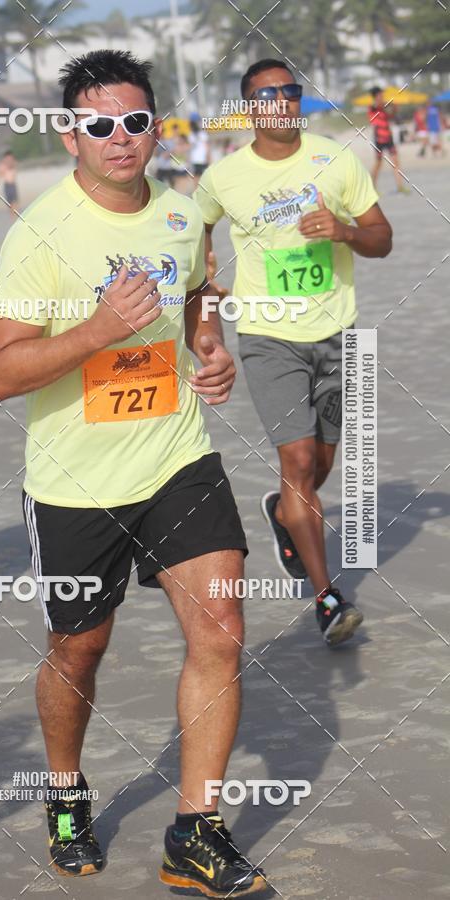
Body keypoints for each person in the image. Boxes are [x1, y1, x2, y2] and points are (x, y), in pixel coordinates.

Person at [0, 50, 267, 897]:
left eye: (136, 122)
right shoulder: (40, 230)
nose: (120, 138)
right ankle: (66, 793)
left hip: (178, 457)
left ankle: (196, 833)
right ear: (70, 133)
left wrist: (210, 352)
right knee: (80, 646)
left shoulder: (182, 216)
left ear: (155, 128)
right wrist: (98, 329)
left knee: (220, 633)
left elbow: (195, 301)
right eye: (100, 124)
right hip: (77, 480)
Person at [194, 58, 393, 646]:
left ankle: (284, 513)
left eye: (290, 91)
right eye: (267, 94)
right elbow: (189, 226)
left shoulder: (336, 159)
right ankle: (327, 597)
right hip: (267, 335)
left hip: (337, 334)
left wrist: (346, 231)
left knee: (322, 465)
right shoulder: (224, 177)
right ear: (249, 107)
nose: (281, 101)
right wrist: (204, 269)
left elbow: (382, 237)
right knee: (299, 462)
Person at [368, 87, 409, 193]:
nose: (382, 96)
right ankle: (372, 187)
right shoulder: (373, 107)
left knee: (396, 162)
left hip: (389, 138)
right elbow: (379, 105)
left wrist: (395, 108)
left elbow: (391, 116)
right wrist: (390, 103)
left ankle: (400, 187)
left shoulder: (383, 108)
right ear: (376, 96)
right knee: (378, 163)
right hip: (379, 139)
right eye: (380, 95)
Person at [0, 150, 19, 216]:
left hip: (13, 185)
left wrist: (10, 163)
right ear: (4, 158)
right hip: (7, 186)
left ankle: (14, 217)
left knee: (15, 203)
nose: (9, 160)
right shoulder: (2, 166)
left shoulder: (13, 164)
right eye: (7, 158)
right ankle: (12, 217)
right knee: (10, 204)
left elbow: (14, 165)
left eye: (10, 158)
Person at [189, 116, 211, 184]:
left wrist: (208, 157)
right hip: (196, 160)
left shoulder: (202, 134)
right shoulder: (191, 135)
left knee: (203, 177)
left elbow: (207, 146)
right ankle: (197, 191)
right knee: (197, 177)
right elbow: (190, 146)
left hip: (202, 159)